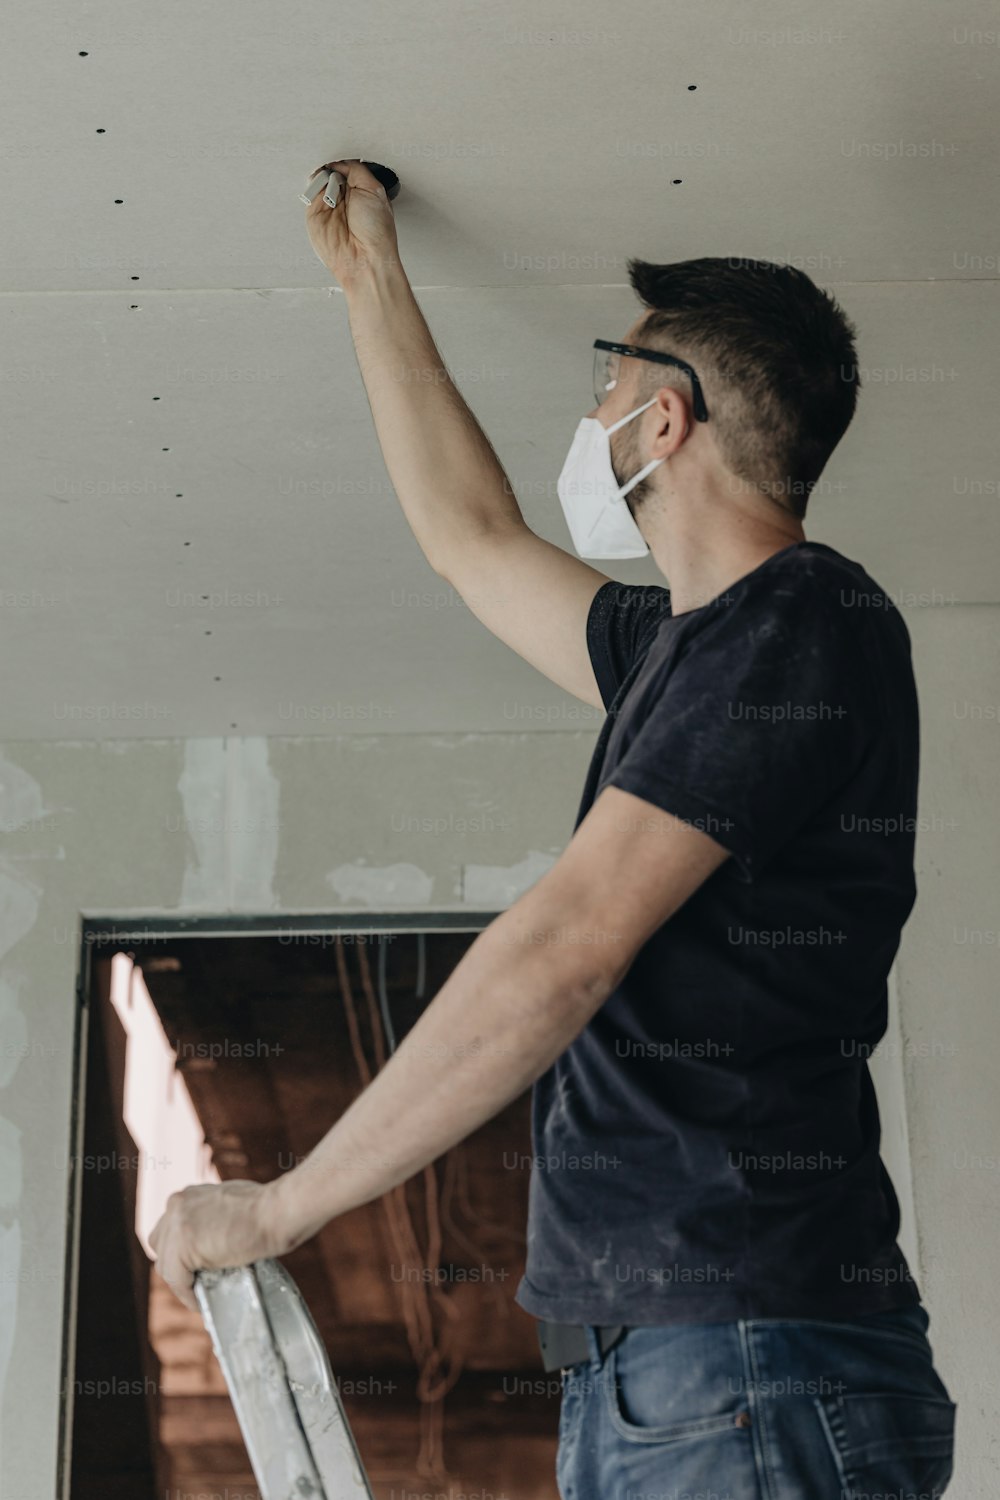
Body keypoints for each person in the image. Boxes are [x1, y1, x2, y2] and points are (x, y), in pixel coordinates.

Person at [151, 160, 957, 1498]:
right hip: (678, 1372)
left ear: (663, 418)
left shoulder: (800, 622)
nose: (587, 420)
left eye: (603, 389)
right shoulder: (688, 657)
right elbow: (473, 541)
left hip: (736, 1361)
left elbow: (567, 945)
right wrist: (371, 280)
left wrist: (287, 1205)